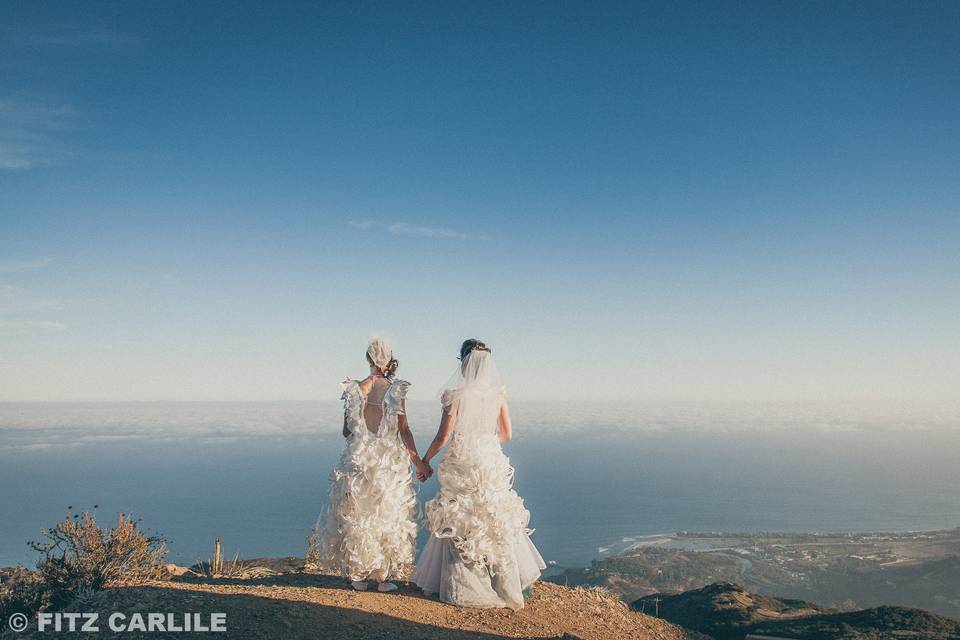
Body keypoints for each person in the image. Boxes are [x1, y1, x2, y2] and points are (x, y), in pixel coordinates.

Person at [412, 339, 545, 609]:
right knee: (494, 521)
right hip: (489, 459)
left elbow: (443, 436)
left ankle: (469, 585)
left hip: (463, 460)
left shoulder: (455, 395)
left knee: (462, 522)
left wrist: (424, 461)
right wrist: (485, 442)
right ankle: (506, 584)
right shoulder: (498, 395)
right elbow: (506, 434)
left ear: (463, 364)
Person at [307, 336, 432, 592]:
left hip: (359, 459)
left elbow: (346, 431)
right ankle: (383, 578)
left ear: (369, 359)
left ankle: (359, 577)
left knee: (358, 515)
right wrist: (418, 461)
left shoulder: (354, 390)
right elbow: (404, 429)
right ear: (387, 360)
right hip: (388, 462)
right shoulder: (396, 390)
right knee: (385, 514)